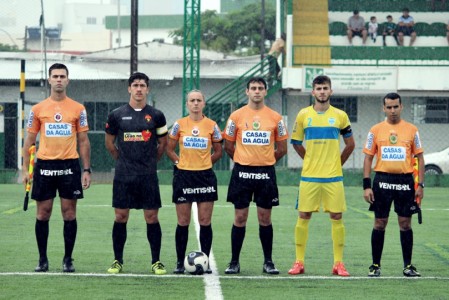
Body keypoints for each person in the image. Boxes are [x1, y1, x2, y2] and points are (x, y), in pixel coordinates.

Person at [22, 63, 91, 273]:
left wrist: (86, 170)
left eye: (62, 76)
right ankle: (42, 260)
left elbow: (84, 141)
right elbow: (29, 142)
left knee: (69, 214)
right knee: (43, 213)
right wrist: (25, 170)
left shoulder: (78, 108)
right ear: (49, 79)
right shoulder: (38, 109)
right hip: (44, 166)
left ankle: (68, 259)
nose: (59, 79)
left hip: (69, 165)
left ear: (68, 80)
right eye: (55, 76)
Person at [288, 75, 355, 277]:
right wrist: (309, 160)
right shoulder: (303, 115)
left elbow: (350, 144)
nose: (322, 91)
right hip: (309, 177)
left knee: (336, 216)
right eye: (319, 88)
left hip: (333, 177)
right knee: (303, 215)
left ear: (331, 91)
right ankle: (299, 262)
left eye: (325, 88)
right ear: (313, 92)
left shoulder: (341, 116)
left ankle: (338, 263)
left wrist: (337, 163)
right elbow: (296, 142)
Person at [223, 77, 288, 275]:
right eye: (253, 88)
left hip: (266, 173)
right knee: (240, 217)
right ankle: (234, 262)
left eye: (260, 88)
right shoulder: (236, 116)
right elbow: (228, 145)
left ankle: (268, 262)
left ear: (265, 92)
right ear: (247, 91)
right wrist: (243, 160)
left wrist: (265, 160)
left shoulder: (276, 118)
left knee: (265, 218)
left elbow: (282, 148)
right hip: (242, 172)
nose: (257, 91)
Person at [105, 72, 168, 275]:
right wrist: (123, 161)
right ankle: (117, 261)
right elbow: (109, 143)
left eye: (142, 85)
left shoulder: (157, 115)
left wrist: (149, 162)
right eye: (135, 85)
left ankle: (156, 261)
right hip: (124, 175)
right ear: (129, 88)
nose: (139, 88)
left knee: (151, 217)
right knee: (121, 216)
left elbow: (162, 144)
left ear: (147, 89)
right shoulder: (116, 114)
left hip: (147, 175)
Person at [362, 92, 424, 278]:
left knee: (405, 223)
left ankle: (408, 266)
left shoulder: (412, 130)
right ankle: (375, 265)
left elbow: (420, 158)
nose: (393, 110)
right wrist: (366, 186)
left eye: (396, 106)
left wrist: (420, 184)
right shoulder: (375, 130)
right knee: (380, 223)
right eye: (389, 107)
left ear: (401, 106)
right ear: (384, 108)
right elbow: (368, 158)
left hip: (405, 181)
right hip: (382, 181)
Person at [166, 90, 223, 274]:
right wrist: (179, 163)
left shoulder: (212, 125)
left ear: (204, 104)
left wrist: (205, 164)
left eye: (199, 100)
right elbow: (169, 149)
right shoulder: (179, 124)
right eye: (192, 100)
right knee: (183, 221)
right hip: (184, 177)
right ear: (187, 104)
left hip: (205, 176)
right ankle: (178, 262)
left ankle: (205, 262)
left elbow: (218, 151)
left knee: (205, 220)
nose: (196, 103)